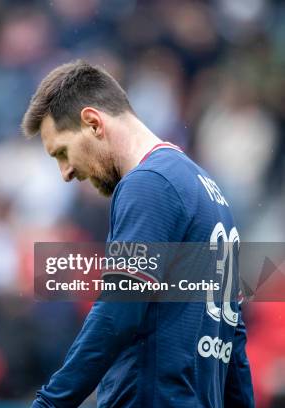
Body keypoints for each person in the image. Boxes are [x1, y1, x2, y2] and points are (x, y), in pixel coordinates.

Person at [22, 60, 254, 407]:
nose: (66, 172)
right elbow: (233, 340)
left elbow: (119, 310)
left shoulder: (149, 184)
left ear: (92, 123)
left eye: (62, 153)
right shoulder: (204, 188)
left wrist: (50, 403)